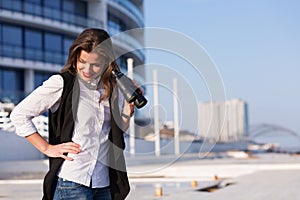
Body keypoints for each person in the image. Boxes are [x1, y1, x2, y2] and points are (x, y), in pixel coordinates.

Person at [10, 28, 135, 200]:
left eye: (95, 64)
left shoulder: (111, 88)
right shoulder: (62, 84)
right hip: (72, 183)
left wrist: (127, 112)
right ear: (75, 56)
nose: (87, 69)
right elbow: (19, 115)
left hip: (104, 183)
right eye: (82, 61)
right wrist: (47, 148)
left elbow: (114, 134)